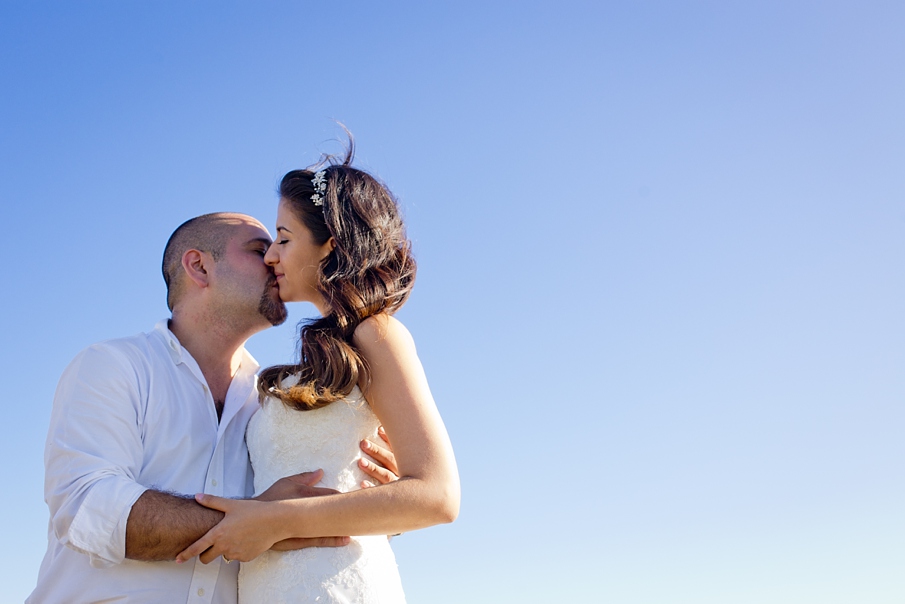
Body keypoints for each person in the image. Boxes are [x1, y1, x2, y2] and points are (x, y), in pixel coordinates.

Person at [28, 212, 398, 604]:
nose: (275, 257)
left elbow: (308, 506)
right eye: (259, 249)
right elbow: (88, 508)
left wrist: (368, 497)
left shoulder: (272, 404)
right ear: (200, 266)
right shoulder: (113, 365)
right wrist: (261, 520)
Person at [176, 144, 461, 602]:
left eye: (284, 238)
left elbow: (438, 495)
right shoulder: (318, 359)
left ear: (330, 242)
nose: (271, 255)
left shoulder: (377, 334)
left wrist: (274, 520)